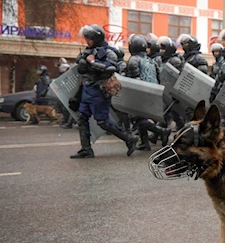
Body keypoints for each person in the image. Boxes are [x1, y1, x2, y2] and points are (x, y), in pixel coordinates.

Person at [69, 24, 138, 159]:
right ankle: (86, 149)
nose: (87, 41)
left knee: (103, 122)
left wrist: (93, 62)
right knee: (82, 118)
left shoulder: (108, 52)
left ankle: (129, 138)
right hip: (86, 90)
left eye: (89, 38)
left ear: (96, 38)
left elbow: (110, 69)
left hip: (99, 91)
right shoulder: (88, 50)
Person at [125, 34, 170, 150]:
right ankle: (145, 143)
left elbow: (134, 80)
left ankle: (162, 131)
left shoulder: (134, 60)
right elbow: (159, 78)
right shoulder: (150, 60)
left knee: (137, 119)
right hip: (152, 92)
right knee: (141, 118)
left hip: (141, 93)